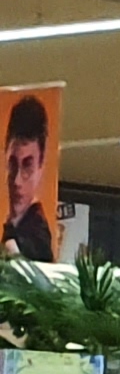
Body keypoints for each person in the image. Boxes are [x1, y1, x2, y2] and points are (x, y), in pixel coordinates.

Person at [4, 96, 53, 261]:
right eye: (12, 163)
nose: (17, 181)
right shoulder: (15, 227)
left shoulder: (36, 239)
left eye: (27, 166)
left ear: (41, 166)